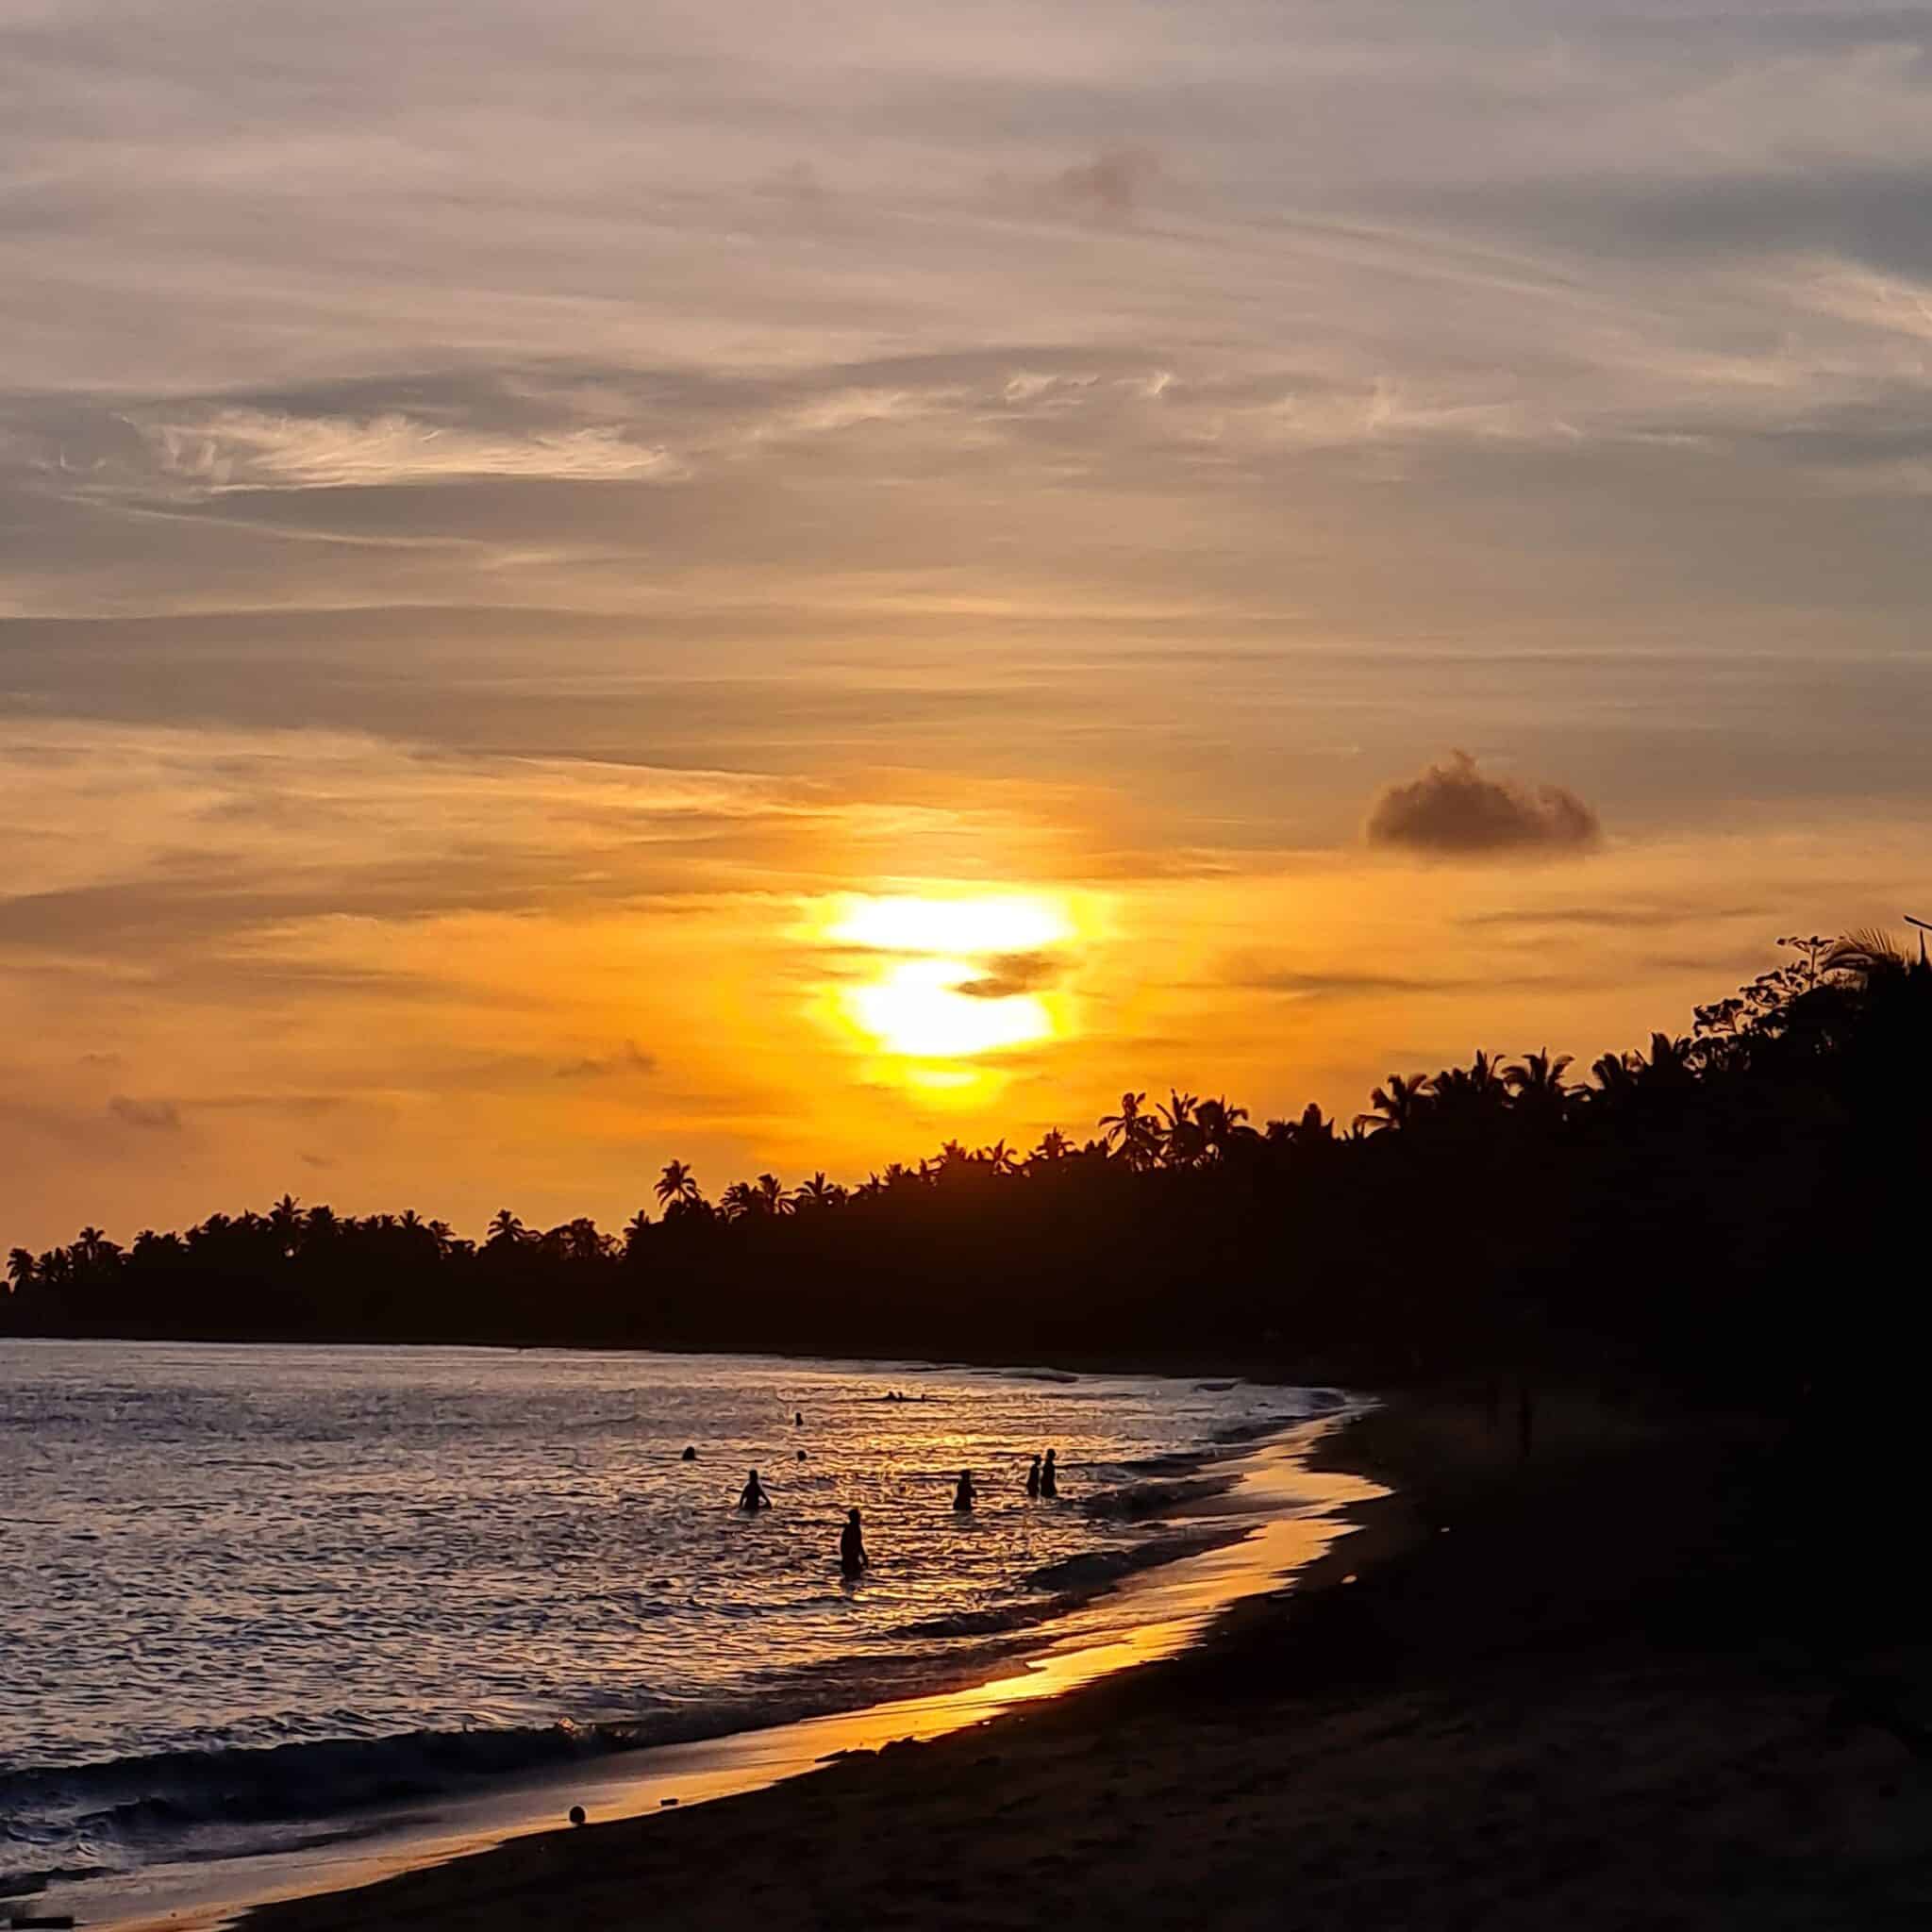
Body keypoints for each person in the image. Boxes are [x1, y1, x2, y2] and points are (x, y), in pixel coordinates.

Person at [840, 1507, 868, 1575]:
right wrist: (865, 1559)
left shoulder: (849, 1528)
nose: (860, 1519)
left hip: (848, 1559)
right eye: (858, 1517)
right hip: (851, 1559)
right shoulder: (854, 1529)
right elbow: (859, 1545)